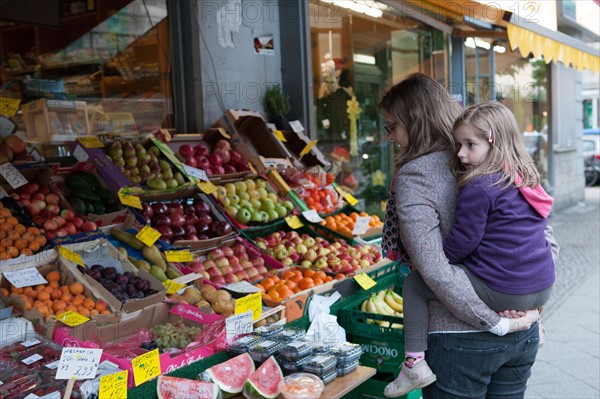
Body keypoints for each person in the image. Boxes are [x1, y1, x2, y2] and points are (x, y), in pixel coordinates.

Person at [379, 74, 559, 399]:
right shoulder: (501, 159)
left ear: (414, 121)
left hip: (462, 341)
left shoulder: (417, 174)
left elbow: (433, 267)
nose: (390, 136)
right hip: (523, 333)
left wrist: (496, 320)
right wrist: (527, 306)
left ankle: (412, 363)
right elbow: (544, 239)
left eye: (392, 126)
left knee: (415, 284)